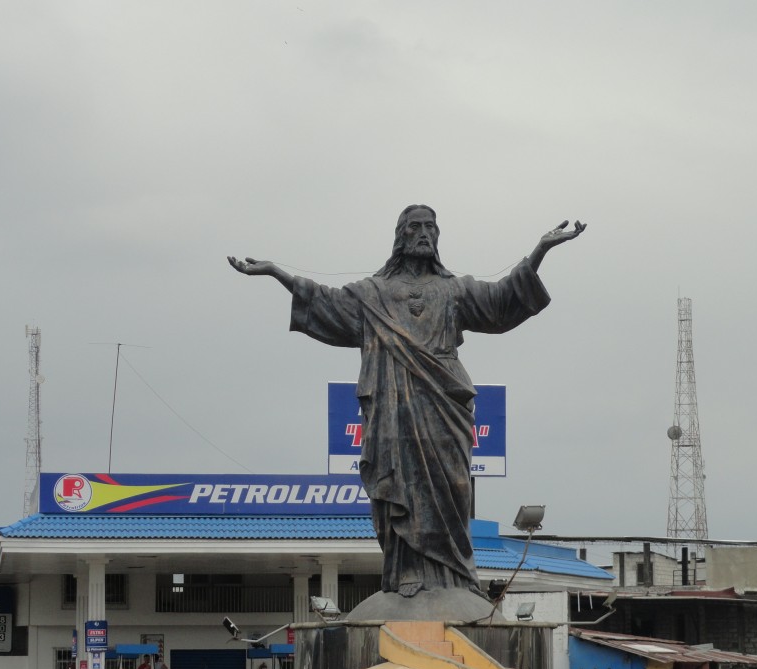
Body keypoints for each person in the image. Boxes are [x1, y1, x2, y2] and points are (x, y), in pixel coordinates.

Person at [228, 206, 585, 599]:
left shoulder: (455, 289)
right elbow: (326, 302)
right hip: (391, 405)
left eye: (430, 227)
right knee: (397, 486)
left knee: (455, 487)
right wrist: (279, 273)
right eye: (415, 226)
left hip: (444, 403)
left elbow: (500, 302)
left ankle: (456, 579)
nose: (423, 233)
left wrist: (540, 251)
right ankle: (406, 573)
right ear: (400, 235)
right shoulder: (372, 293)